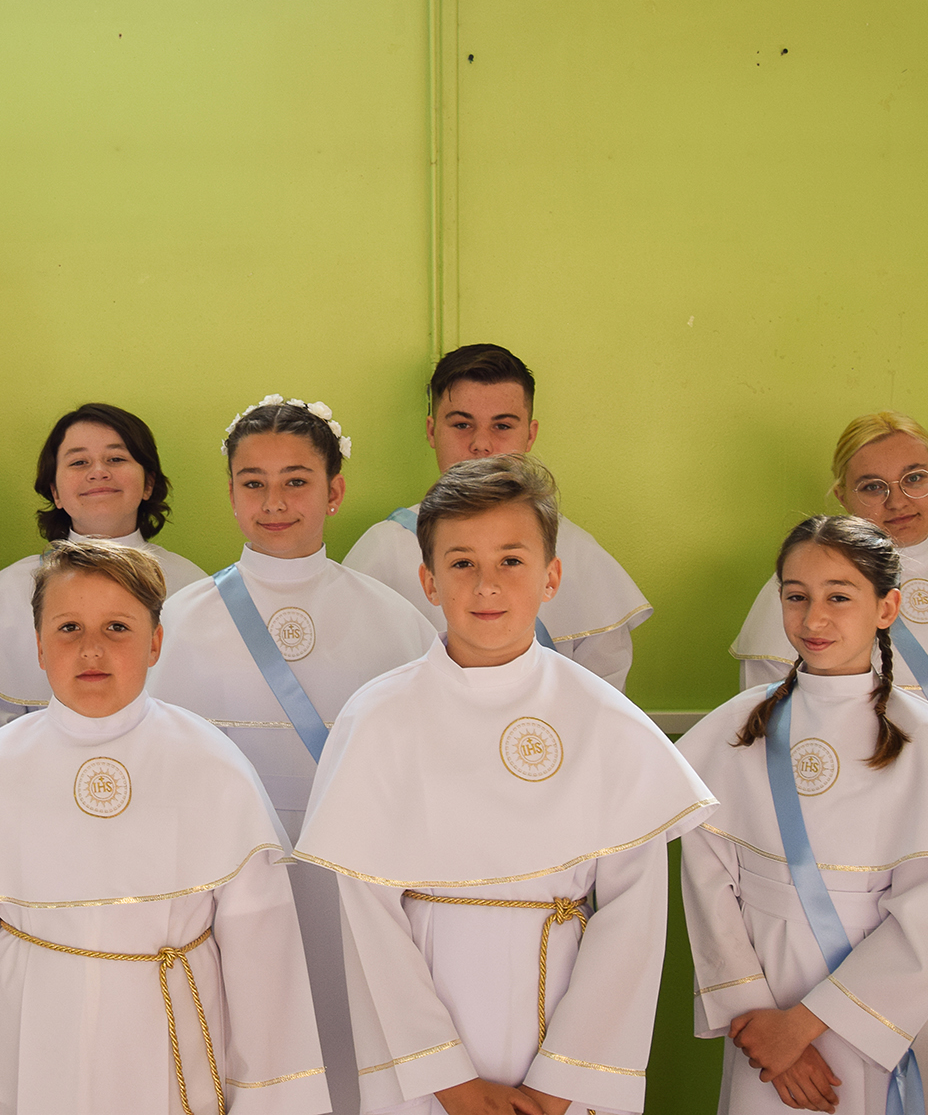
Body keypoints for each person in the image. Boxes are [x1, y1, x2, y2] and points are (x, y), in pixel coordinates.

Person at [297, 454, 714, 1115]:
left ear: (551, 577)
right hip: (428, 1043)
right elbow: (368, 919)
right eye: (462, 562)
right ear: (428, 582)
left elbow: (633, 918)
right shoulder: (378, 717)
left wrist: (564, 1081)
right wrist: (448, 1080)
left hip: (563, 1018)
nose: (486, 584)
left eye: (511, 561)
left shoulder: (603, 719)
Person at [0, 539, 330, 1114]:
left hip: (172, 1043)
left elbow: (265, 959)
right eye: (68, 628)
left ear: (156, 643)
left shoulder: (212, 765)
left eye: (117, 628)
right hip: (33, 1045)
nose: (91, 649)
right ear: (38, 646)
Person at [728, 413, 928, 1113]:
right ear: (841, 495)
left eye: (915, 478)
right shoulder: (791, 599)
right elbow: (773, 758)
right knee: (833, 1056)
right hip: (829, 880)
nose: (898, 500)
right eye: (873, 485)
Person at [149, 394, 438, 1115]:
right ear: (231, 493)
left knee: (353, 1054)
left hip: (356, 889)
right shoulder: (177, 622)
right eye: (253, 482)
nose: (274, 502)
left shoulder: (397, 622)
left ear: (334, 491)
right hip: (223, 886)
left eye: (296, 481)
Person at [681, 515, 928, 1115]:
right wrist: (761, 1023)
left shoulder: (927, 742)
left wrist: (801, 1027)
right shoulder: (735, 728)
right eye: (796, 597)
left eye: (838, 597)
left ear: (887, 607)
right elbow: (707, 880)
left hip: (868, 1014)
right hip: (760, 1008)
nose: (813, 620)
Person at [344, 346, 650, 691]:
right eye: (462, 424)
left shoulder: (581, 555)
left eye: (502, 425)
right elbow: (354, 678)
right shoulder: (383, 550)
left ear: (530, 434)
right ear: (431, 431)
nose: (481, 444)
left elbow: (602, 697)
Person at [0, 403, 207, 746]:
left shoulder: (192, 587)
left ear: (148, 483)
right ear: (55, 492)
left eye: (116, 459)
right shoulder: (14, 587)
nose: (98, 472)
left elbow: (207, 708)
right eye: (79, 462)